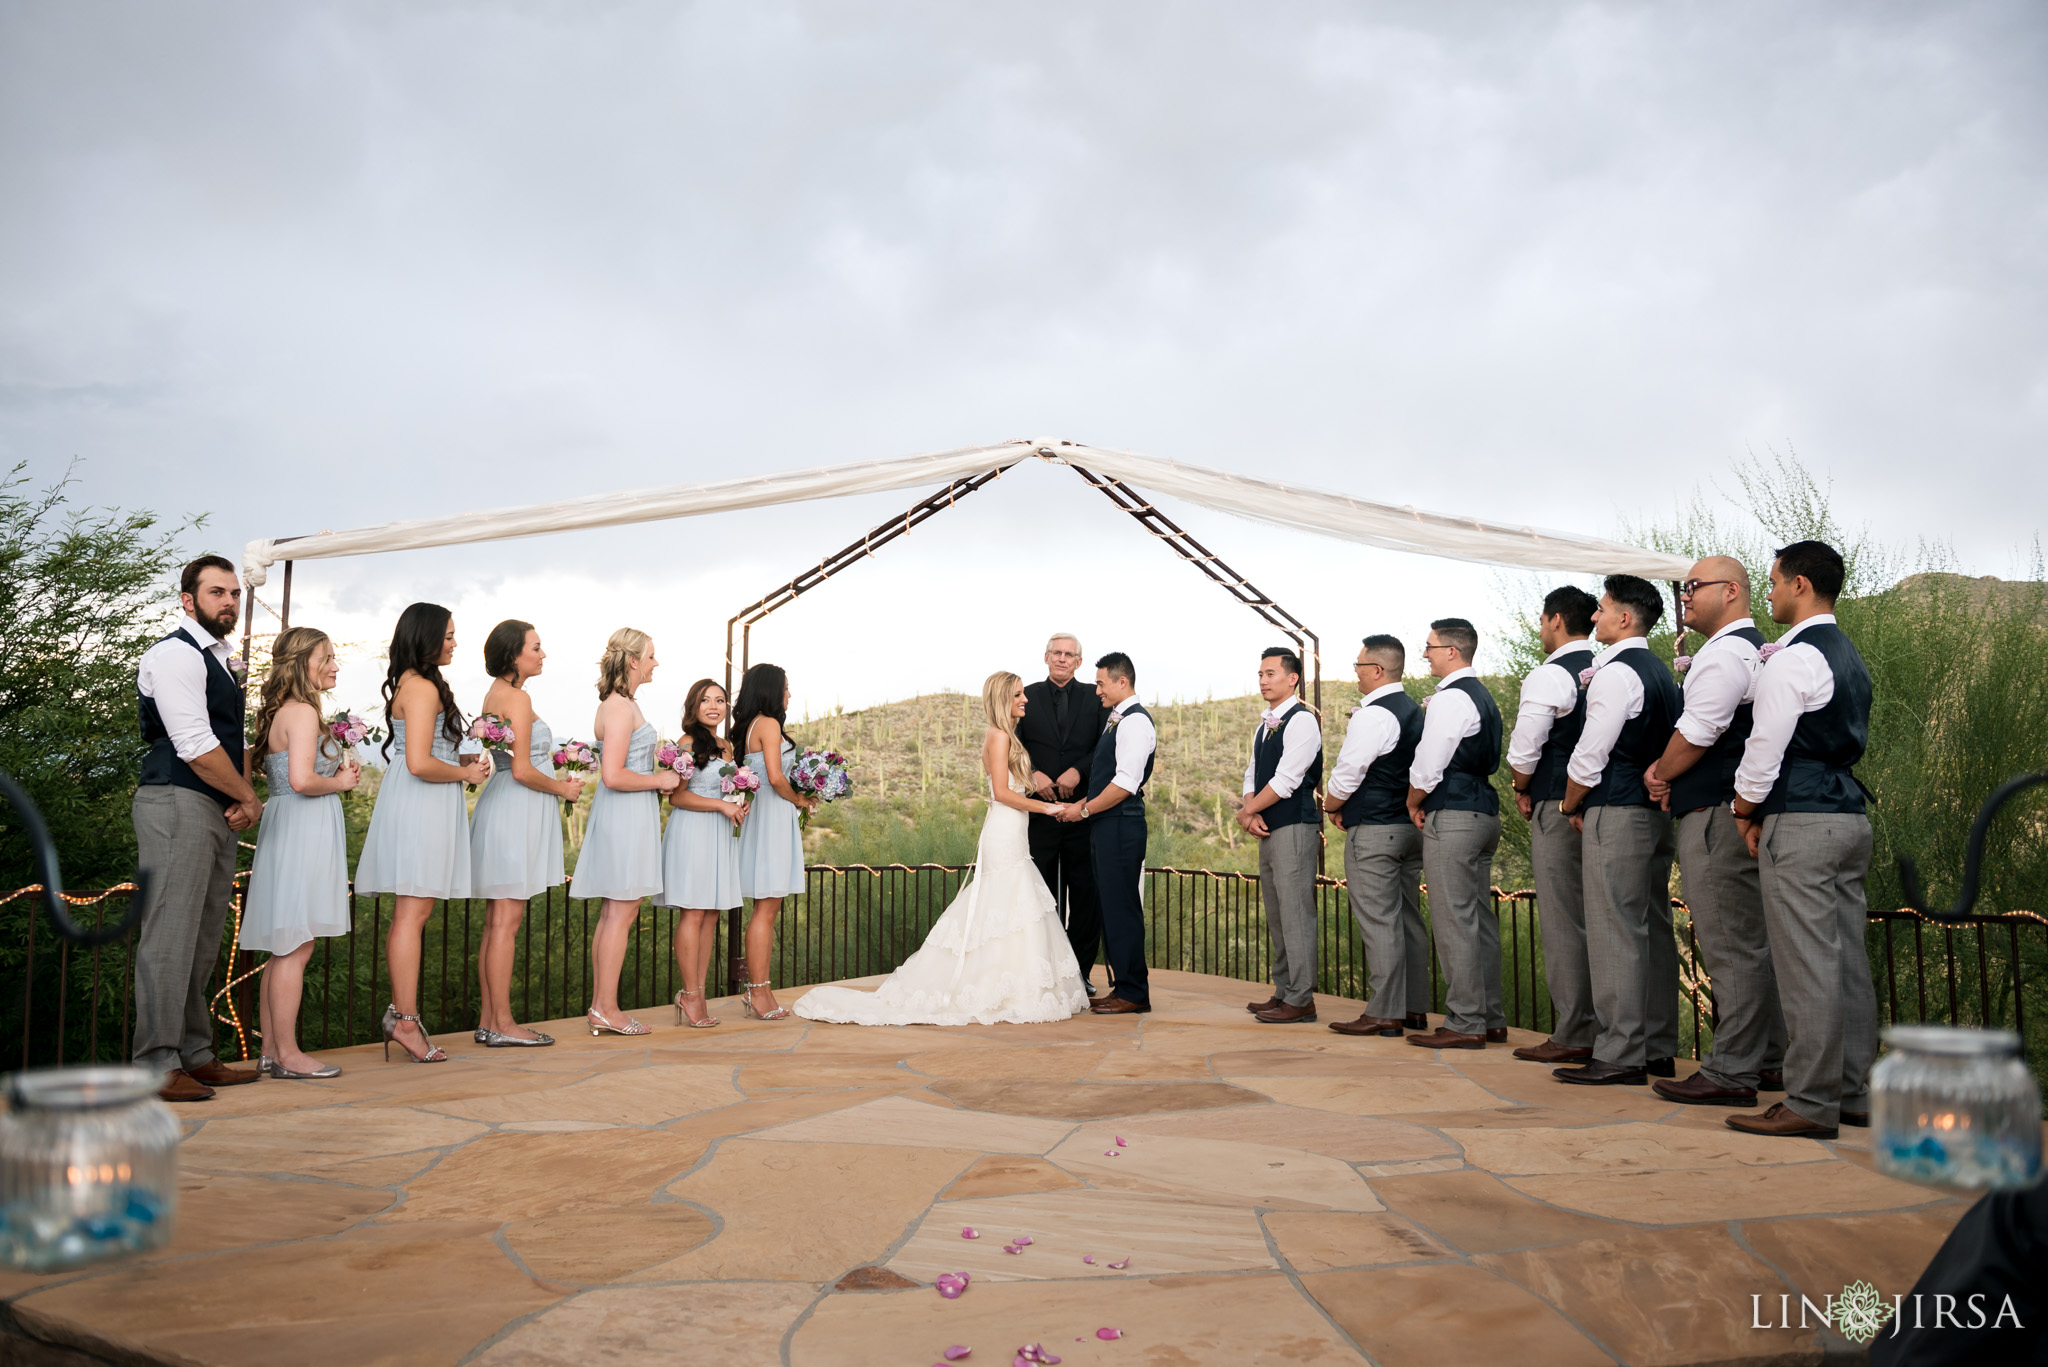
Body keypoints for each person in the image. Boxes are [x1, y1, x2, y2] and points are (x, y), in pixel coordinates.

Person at [795, 672, 1089, 1025]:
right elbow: (1001, 792)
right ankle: (982, 983)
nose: (1024, 699)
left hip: (1014, 829)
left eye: (1023, 693)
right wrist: (1048, 807)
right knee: (1004, 898)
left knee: (1009, 902)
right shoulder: (998, 736)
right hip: (1004, 828)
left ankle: (1008, 983)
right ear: (1001, 700)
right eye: (1017, 695)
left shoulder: (1008, 736)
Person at [1725, 540, 1877, 1140]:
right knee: (1846, 962)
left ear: (1802, 585)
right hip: (1848, 819)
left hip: (1804, 818)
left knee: (1806, 965)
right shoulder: (1849, 655)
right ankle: (1853, 1093)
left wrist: (1743, 807)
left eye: (1774, 581)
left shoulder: (1793, 658)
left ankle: (1810, 1102)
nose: (1770, 592)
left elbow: (1765, 745)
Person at [1644, 558, 1789, 1106]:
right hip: (1735, 811)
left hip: (1713, 816)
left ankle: (1731, 1071)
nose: (1684, 596)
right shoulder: (1754, 648)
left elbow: (1699, 731)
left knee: (1730, 944)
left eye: (1693, 587)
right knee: (1752, 942)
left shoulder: (1725, 653)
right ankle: (1768, 1060)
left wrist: (1659, 773)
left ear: (1731, 592)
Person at [132, 554, 264, 1102]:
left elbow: (229, 743)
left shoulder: (220, 659)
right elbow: (192, 744)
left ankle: (194, 1053)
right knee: (169, 933)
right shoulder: (174, 655)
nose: (229, 601)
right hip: (175, 802)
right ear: (188, 600)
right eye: (217, 593)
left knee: (204, 934)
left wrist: (235, 796)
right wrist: (248, 797)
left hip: (211, 805)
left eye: (234, 593)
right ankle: (156, 1063)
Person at [1554, 575, 1681, 1087]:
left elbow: (1591, 750)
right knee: (1651, 925)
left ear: (1625, 618)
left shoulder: (1614, 673)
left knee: (1614, 928)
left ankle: (1620, 1051)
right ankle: (1656, 1047)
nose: (1594, 617)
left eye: (1602, 609)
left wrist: (1570, 802)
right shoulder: (1660, 672)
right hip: (1653, 812)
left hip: (1617, 807)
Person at [356, 602, 492, 1063]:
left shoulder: (418, 685)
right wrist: (466, 776)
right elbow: (416, 762)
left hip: (424, 801)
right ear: (427, 637)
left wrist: (464, 763)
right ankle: (405, 1020)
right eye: (449, 635)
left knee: (415, 913)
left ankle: (405, 1016)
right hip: (419, 805)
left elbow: (424, 755)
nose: (455, 643)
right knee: (411, 916)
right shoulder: (422, 689)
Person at [239, 626, 360, 1079]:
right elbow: (303, 781)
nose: (334, 665)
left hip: (290, 826)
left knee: (285, 945)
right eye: (325, 657)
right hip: (303, 828)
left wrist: (339, 771)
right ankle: (288, 1054)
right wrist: (341, 782)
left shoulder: (284, 712)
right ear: (301, 664)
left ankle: (272, 1050)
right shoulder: (303, 714)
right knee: (296, 945)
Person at [469, 619, 585, 1046]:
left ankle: (489, 1020)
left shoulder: (493, 695)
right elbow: (520, 769)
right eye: (536, 647)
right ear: (514, 654)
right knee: (506, 922)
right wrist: (563, 788)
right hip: (515, 810)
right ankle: (502, 1024)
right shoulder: (517, 697)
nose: (542, 654)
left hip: (503, 806)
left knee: (497, 923)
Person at [1505, 585, 1600, 1064]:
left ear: (1556, 620)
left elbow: (1526, 745)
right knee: (1602, 921)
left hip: (1558, 803)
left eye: (1543, 621)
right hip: (1603, 807)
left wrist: (1522, 784)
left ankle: (1575, 1030)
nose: (1541, 629)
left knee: (1564, 919)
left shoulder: (1549, 674)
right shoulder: (1604, 668)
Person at [568, 628, 678, 1036]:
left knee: (616, 913)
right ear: (633, 661)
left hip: (630, 814)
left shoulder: (620, 704)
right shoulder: (618, 707)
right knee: (621, 912)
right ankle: (607, 1009)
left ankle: (602, 1006)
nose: (655, 663)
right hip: (625, 815)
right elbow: (612, 775)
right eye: (651, 656)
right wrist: (660, 780)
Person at [1403, 618, 1506, 1050]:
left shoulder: (1451, 698)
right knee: (1479, 919)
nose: (1424, 653)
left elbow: (1430, 762)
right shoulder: (1484, 697)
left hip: (1455, 814)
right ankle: (1490, 1018)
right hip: (1484, 812)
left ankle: (1464, 1021)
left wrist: (1412, 801)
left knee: (1453, 920)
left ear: (1451, 651)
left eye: (1428, 646)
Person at [1323, 635, 1431, 1038]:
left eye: (1358, 666)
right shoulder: (1414, 710)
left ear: (1377, 670)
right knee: (1407, 919)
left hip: (1376, 831)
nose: (1355, 674)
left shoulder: (1374, 715)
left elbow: (1349, 771)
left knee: (1379, 922)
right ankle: (1414, 1008)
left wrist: (1332, 806)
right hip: (1409, 828)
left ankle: (1385, 1012)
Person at [1062, 652, 1156, 1015]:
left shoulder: (1134, 723)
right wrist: (1082, 805)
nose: (1097, 689)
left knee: (1121, 909)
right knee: (1112, 908)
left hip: (1120, 824)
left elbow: (1123, 785)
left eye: (1101, 683)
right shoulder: (1118, 720)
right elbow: (1106, 781)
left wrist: (1083, 809)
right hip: (1108, 823)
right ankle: (1124, 988)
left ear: (1122, 682)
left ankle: (1133, 992)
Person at [1017, 633, 1108, 993]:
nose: (1062, 658)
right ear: (1045, 657)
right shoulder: (1027, 696)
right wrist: (1033, 773)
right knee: (1042, 894)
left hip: (1082, 813)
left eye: (1069, 654)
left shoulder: (1095, 697)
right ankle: (1044, 974)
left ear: (1079, 663)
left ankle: (1078, 974)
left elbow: (1104, 744)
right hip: (1039, 815)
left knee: (1085, 896)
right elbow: (1014, 741)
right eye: (1056, 652)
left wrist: (1079, 771)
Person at [1239, 647, 1324, 1024]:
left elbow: (1288, 779)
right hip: (1269, 826)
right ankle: (1284, 990)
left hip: (1295, 826)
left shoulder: (1303, 721)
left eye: (1270, 673)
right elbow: (1252, 773)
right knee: (1277, 913)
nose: (1262, 680)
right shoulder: (1264, 725)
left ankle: (1302, 998)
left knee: (1296, 913)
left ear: (1293, 679)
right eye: (1260, 674)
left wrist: (1249, 810)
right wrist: (1249, 808)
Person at [657, 678, 748, 1027]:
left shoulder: (727, 745)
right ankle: (690, 995)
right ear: (693, 706)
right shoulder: (687, 742)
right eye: (706, 700)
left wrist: (739, 804)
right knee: (693, 915)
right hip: (693, 832)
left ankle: (697, 992)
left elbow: (729, 789)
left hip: (720, 834)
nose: (714, 705)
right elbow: (676, 796)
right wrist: (719, 806)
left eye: (720, 700)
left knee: (711, 916)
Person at [733, 662, 815, 1020]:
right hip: (772, 818)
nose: (789, 694)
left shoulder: (753, 725)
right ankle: (758, 992)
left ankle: (761, 989)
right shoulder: (767, 724)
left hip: (767, 817)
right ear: (770, 688)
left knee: (766, 908)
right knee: (766, 909)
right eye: (785, 686)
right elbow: (777, 776)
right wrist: (800, 799)